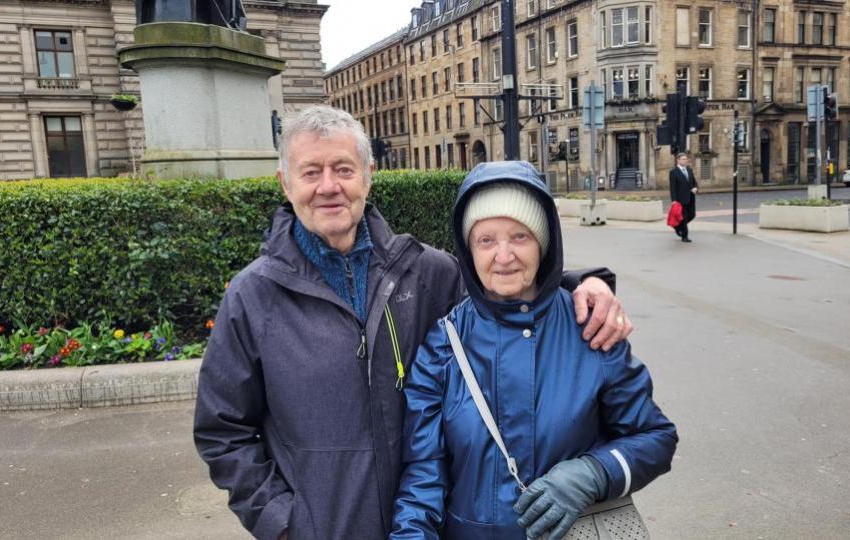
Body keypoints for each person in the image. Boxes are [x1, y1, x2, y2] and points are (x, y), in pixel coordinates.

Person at [193, 105, 634, 540]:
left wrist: (583, 284)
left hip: (428, 526)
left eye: (343, 169)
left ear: (368, 174)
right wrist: (282, 522)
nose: (329, 186)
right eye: (311, 172)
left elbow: (507, 287)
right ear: (285, 183)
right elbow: (223, 431)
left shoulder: (427, 272)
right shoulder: (253, 297)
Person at [391, 161, 678, 539]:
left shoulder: (590, 330)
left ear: (544, 242)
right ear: (468, 250)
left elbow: (656, 437)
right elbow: (423, 474)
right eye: (486, 240)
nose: (504, 255)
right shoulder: (444, 345)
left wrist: (594, 472)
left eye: (520, 236)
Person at [669, 152, 698, 243]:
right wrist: (674, 200)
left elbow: (694, 182)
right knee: (684, 217)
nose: (685, 161)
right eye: (683, 159)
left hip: (691, 197)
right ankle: (684, 236)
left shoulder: (689, 169)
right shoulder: (673, 172)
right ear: (678, 160)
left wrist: (695, 188)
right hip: (680, 199)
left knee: (692, 215)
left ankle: (677, 227)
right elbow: (672, 187)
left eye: (686, 159)